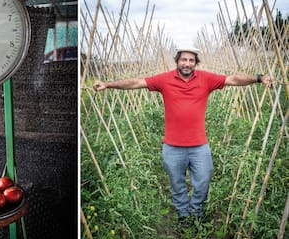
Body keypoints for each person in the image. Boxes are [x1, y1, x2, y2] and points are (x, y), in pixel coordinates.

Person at [93, 48, 273, 226]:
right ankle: (184, 217)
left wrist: (259, 78)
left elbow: (232, 79)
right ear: (177, 61)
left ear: (196, 63)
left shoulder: (206, 79)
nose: (187, 63)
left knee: (203, 180)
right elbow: (135, 83)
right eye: (183, 60)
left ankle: (197, 213)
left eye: (191, 60)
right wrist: (108, 84)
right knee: (177, 183)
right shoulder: (164, 79)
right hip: (172, 146)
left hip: (199, 145)